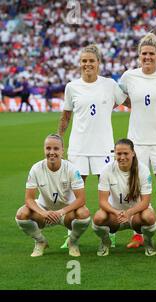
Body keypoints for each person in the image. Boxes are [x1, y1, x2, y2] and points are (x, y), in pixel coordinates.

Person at [58, 44, 127, 248]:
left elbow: (123, 101)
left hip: (104, 146)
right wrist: (59, 139)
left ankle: (109, 231)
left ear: (99, 63)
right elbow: (66, 116)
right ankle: (72, 235)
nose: (87, 64)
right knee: (74, 192)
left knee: (109, 192)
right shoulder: (72, 87)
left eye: (91, 61)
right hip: (79, 146)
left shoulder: (109, 85)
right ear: (80, 63)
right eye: (84, 61)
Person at [119, 33, 156, 249]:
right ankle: (138, 232)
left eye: (151, 54)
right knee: (136, 187)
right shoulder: (129, 76)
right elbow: (120, 96)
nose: (147, 57)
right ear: (139, 56)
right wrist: (136, 106)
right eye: (144, 53)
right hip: (137, 141)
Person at [15, 134, 90, 257]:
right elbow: (29, 199)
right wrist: (43, 212)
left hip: (66, 213)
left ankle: (73, 242)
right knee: (21, 214)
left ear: (62, 150)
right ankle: (40, 241)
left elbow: (81, 199)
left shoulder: (71, 169)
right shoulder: (36, 168)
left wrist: (61, 212)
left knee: (84, 213)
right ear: (44, 149)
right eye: (48, 148)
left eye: (56, 149)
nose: (51, 152)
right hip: (44, 212)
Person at [92, 138, 156, 257]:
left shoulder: (143, 170)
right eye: (119, 154)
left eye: (125, 153)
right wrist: (116, 212)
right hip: (115, 216)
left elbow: (145, 202)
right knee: (98, 217)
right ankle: (105, 241)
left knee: (149, 216)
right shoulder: (107, 170)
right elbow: (102, 202)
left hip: (136, 215)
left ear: (133, 153)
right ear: (115, 154)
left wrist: (129, 213)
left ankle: (148, 241)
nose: (122, 157)